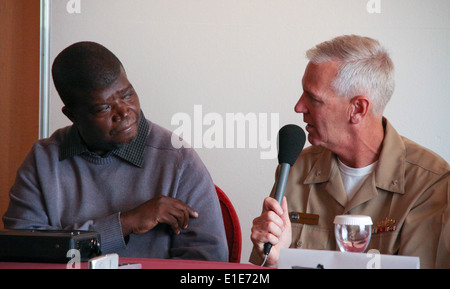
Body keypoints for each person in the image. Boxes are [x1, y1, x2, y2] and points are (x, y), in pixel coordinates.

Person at [3, 41, 228, 261]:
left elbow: (208, 262)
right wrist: (124, 224)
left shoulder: (177, 159)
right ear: (72, 115)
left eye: (127, 94)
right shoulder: (43, 161)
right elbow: (22, 254)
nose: (124, 112)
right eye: (104, 107)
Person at [250, 35, 449, 268]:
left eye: (313, 99)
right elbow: (259, 270)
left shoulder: (430, 183)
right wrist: (274, 261)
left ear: (357, 109)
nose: (299, 107)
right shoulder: (295, 168)